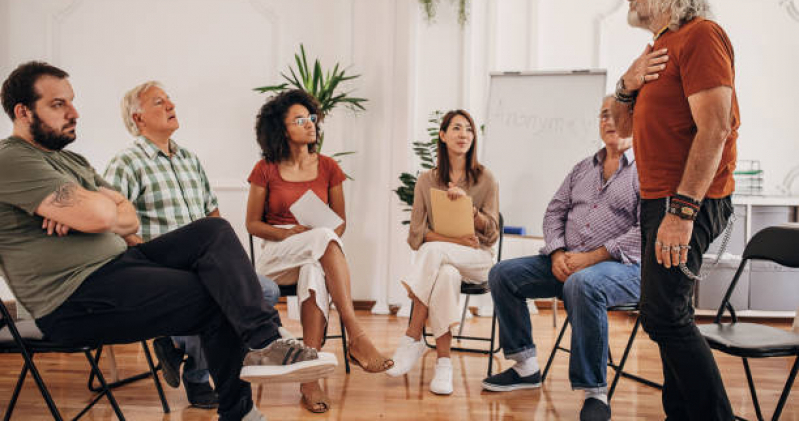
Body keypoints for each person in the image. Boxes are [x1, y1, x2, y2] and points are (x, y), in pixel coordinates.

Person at [0, 62, 337, 421]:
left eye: (72, 101)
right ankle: (242, 409)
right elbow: (103, 216)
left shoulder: (70, 160)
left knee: (215, 231)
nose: (74, 112)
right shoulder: (11, 160)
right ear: (23, 111)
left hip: (120, 266)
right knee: (218, 292)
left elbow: (126, 214)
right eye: (58, 104)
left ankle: (265, 344)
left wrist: (92, 207)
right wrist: (98, 207)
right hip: (73, 297)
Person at [610, 0, 739, 421]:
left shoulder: (701, 36)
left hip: (686, 200)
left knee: (664, 316)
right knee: (664, 315)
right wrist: (627, 83)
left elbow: (715, 129)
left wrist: (682, 212)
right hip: (657, 198)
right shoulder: (657, 48)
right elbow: (620, 127)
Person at [104, 81, 281, 409]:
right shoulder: (126, 162)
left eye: (170, 99)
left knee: (267, 291)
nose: (171, 105)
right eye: (160, 102)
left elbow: (212, 214)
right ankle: (198, 375)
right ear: (138, 118)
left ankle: (178, 346)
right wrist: (142, 257)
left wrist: (232, 263)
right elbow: (111, 220)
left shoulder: (188, 158)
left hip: (204, 261)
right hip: (161, 267)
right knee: (213, 298)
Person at [482, 96, 641, 421]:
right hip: (567, 262)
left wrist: (591, 258)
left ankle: (595, 392)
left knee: (583, 284)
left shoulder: (648, 170)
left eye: (618, 115)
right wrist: (556, 253)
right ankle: (526, 367)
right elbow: (555, 211)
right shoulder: (583, 168)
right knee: (502, 274)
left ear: (635, 120)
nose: (609, 122)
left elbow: (646, 231)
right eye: (603, 115)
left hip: (621, 268)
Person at [245, 89, 393, 414]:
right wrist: (291, 232)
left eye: (311, 117)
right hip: (277, 253)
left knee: (315, 266)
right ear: (282, 129)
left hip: (315, 251)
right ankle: (355, 333)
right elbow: (252, 224)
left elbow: (338, 225)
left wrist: (317, 237)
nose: (310, 124)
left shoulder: (328, 167)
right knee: (320, 241)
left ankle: (309, 380)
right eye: (300, 119)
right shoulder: (266, 168)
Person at [386, 109, 500, 396]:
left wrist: (471, 211)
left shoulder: (486, 178)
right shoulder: (427, 181)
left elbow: (492, 234)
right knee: (445, 274)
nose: (464, 135)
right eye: (457, 128)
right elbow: (416, 235)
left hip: (478, 259)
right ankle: (444, 364)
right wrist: (455, 242)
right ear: (443, 135)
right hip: (443, 260)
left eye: (469, 130)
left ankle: (413, 336)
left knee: (435, 254)